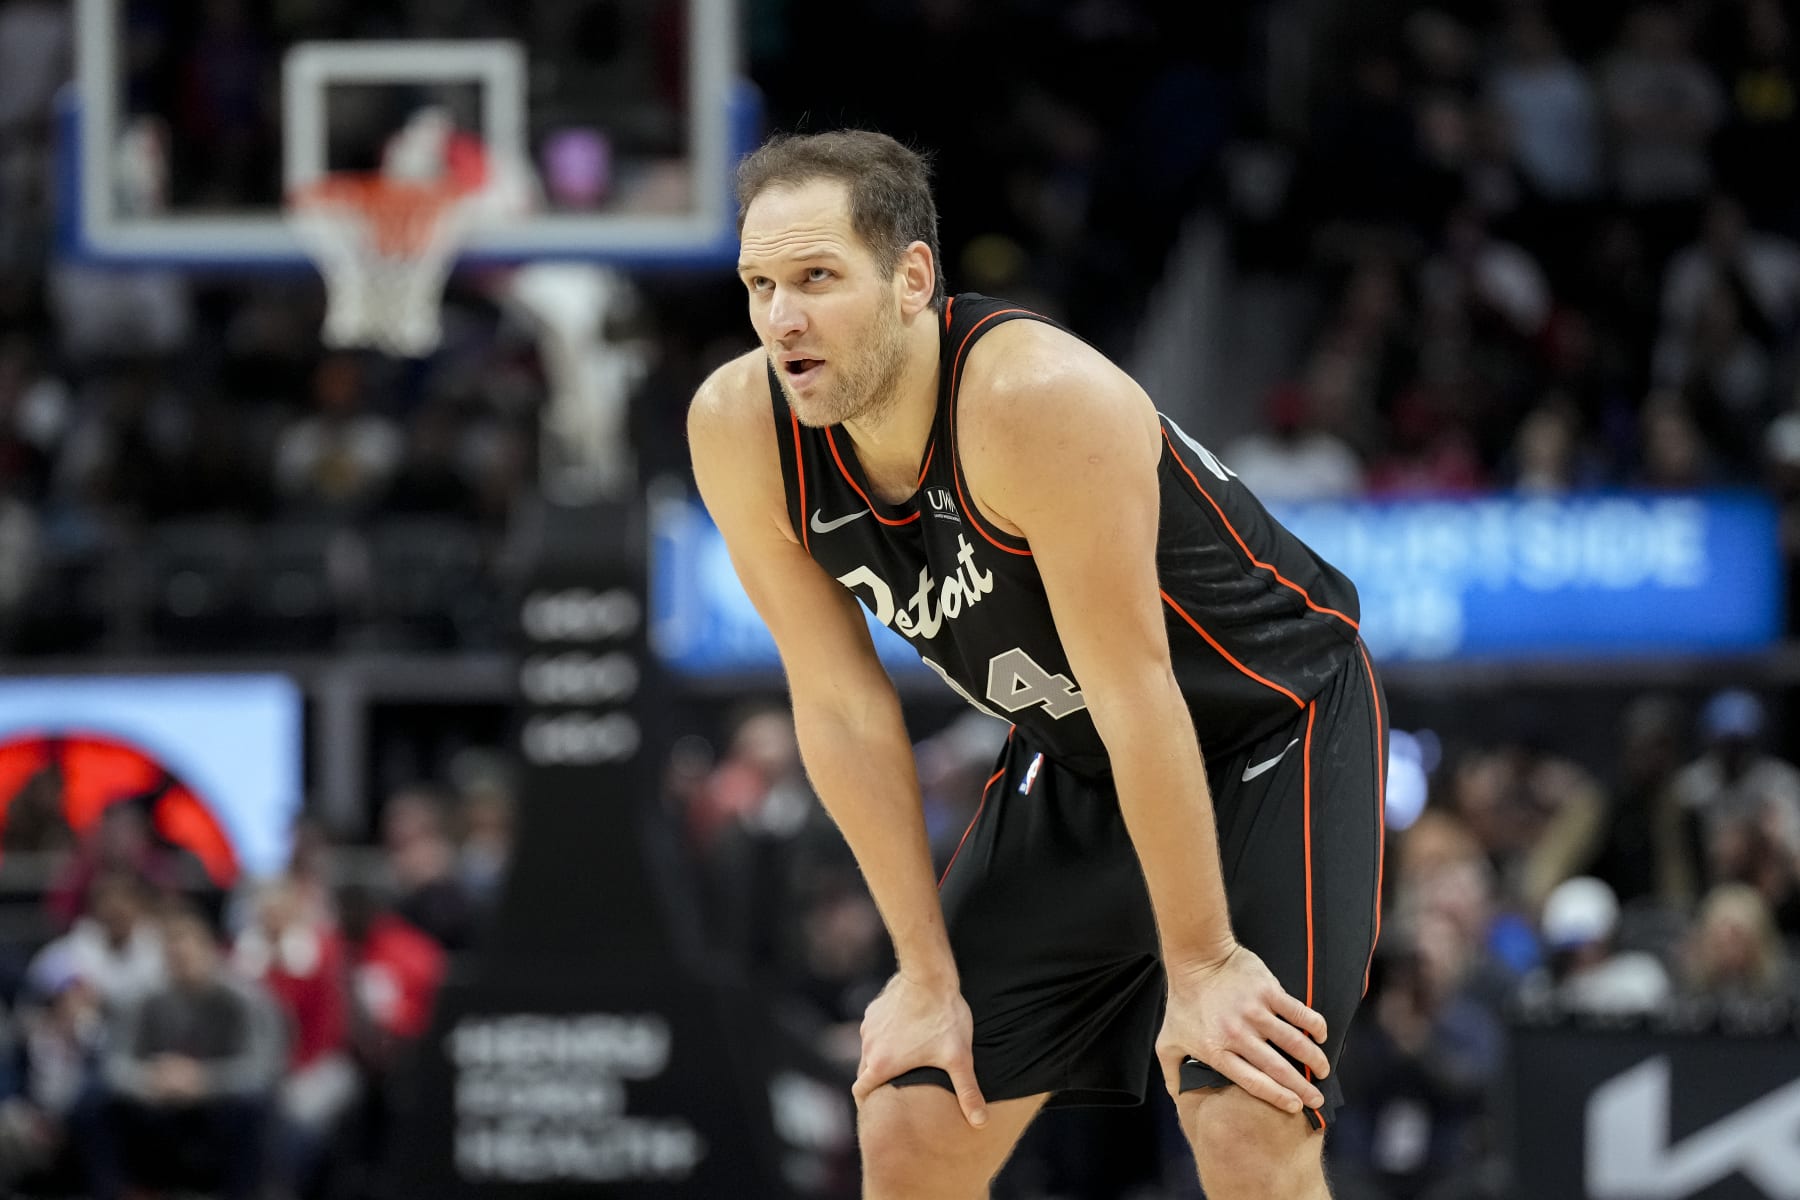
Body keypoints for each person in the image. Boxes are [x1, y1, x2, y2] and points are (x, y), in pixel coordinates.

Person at [688, 130, 1387, 1199]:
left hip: (1269, 726)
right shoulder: (740, 427)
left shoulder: (1036, 399)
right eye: (760, 285)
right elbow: (838, 705)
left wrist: (1200, 969)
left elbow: (1138, 689)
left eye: (817, 279)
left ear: (913, 277)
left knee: (1246, 1120)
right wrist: (924, 976)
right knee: (915, 1116)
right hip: (1087, 751)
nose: (782, 318)